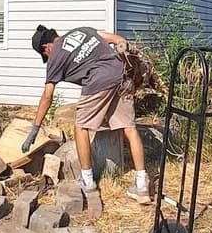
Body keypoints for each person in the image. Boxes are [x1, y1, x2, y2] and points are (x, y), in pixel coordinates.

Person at [23, 25, 150, 203]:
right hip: (122, 75)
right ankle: (142, 185)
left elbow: (47, 96)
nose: (48, 57)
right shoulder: (82, 31)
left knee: (81, 127)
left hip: (98, 81)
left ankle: (87, 181)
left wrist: (35, 128)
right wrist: (124, 49)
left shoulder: (55, 58)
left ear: (46, 48)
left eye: (46, 55)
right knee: (129, 127)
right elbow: (117, 39)